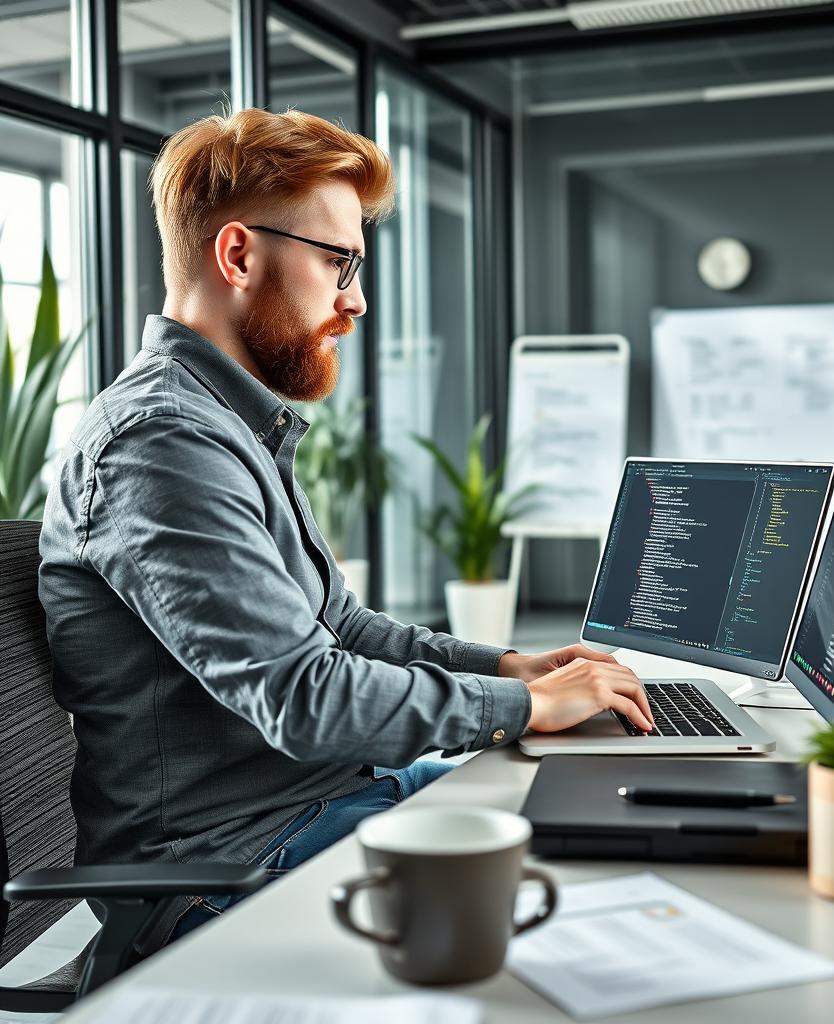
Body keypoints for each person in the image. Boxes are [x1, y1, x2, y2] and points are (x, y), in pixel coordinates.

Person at [37, 108, 653, 948]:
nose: (356, 300)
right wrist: (521, 704)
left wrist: (508, 666)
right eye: (340, 262)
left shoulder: (225, 425)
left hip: (326, 806)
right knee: (584, 913)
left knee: (603, 826)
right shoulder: (161, 443)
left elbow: (343, 631)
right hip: (232, 868)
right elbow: (302, 697)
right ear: (238, 254)